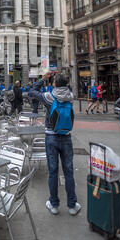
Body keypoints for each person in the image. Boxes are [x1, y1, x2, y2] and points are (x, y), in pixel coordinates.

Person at [29, 73, 81, 216]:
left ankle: (54, 204)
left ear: (55, 84)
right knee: (68, 171)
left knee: (53, 171)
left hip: (51, 137)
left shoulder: (50, 96)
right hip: (66, 137)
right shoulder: (70, 96)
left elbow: (32, 92)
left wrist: (43, 79)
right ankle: (72, 205)